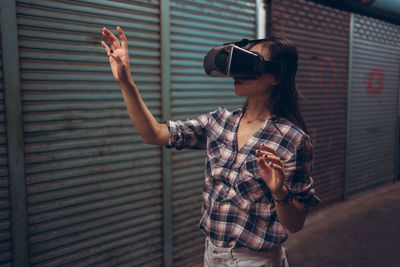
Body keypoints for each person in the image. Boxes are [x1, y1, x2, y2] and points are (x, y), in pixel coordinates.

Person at [101, 26, 320, 267]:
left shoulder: (292, 139)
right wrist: (126, 82)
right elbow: (153, 133)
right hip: (212, 255)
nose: (237, 72)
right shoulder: (219, 122)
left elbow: (296, 224)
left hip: (255, 261)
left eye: (250, 64)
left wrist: (280, 192)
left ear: (276, 76)